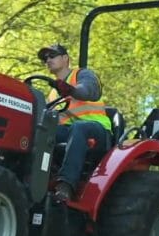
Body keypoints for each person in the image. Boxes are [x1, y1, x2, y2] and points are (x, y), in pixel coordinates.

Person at [37, 43, 112, 201]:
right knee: (38, 131)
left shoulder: (82, 75)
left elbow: (89, 89)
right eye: (45, 58)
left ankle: (66, 185)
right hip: (70, 132)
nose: (48, 60)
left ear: (65, 58)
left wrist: (72, 90)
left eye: (52, 55)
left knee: (79, 128)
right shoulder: (53, 93)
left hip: (97, 131)